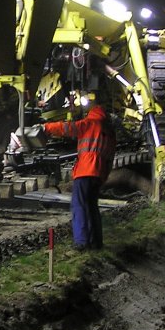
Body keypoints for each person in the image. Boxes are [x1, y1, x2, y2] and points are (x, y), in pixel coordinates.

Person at [38, 104, 116, 250]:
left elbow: (68, 128)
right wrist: (104, 176)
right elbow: (110, 157)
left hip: (86, 171)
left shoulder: (90, 123)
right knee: (92, 208)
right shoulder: (110, 132)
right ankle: (96, 243)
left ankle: (81, 242)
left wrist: (46, 128)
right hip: (99, 175)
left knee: (79, 206)